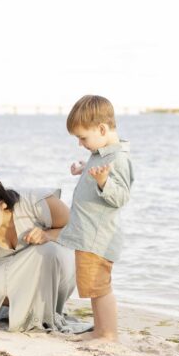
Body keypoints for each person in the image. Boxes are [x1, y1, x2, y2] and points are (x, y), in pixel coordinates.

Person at [0, 169, 81, 333]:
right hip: (11, 293)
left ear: (3, 203)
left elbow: (80, 231)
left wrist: (48, 234)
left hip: (52, 275)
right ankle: (20, 314)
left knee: (50, 251)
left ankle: (44, 314)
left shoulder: (36, 202)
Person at [56, 95, 134, 342]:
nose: (80, 143)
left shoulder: (119, 158)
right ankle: (100, 329)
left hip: (99, 236)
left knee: (99, 286)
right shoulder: (101, 154)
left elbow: (121, 196)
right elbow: (96, 169)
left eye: (83, 138)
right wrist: (84, 169)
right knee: (92, 285)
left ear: (102, 129)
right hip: (88, 233)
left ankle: (107, 333)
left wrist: (103, 182)